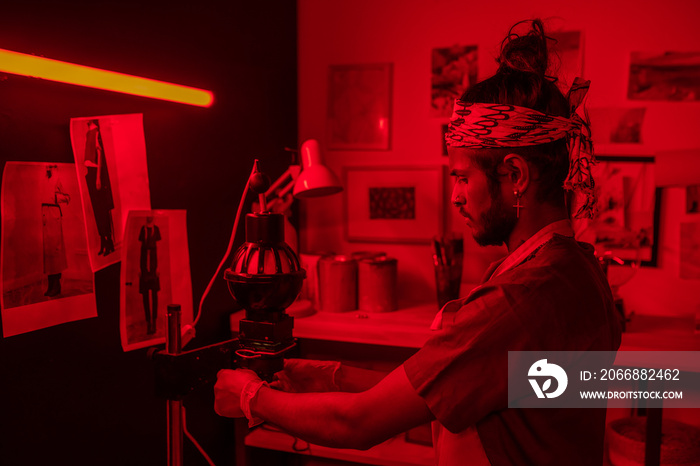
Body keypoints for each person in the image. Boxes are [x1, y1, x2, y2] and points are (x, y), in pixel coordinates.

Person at [214, 19, 621, 465]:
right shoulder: (576, 269)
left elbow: (358, 423)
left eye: (464, 177)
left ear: (515, 176)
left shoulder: (519, 299)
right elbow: (447, 381)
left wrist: (251, 397)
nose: (455, 196)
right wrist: (327, 375)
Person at [84, 119, 115, 256]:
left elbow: (100, 156)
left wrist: (97, 178)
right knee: (97, 210)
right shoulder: (88, 133)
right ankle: (103, 241)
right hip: (89, 173)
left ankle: (109, 242)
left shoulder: (96, 133)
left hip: (97, 173)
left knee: (102, 210)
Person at [42, 165, 71, 297]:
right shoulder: (44, 178)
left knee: (55, 250)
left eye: (50, 165)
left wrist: (54, 197)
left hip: (54, 214)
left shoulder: (58, 177)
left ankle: (56, 285)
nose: (47, 167)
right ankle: (51, 284)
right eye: (46, 166)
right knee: (48, 252)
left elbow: (67, 197)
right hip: (45, 215)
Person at [138, 216, 161, 335]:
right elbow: (140, 248)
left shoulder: (156, 229)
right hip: (144, 268)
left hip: (154, 267)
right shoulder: (143, 229)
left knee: (154, 297)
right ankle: (148, 324)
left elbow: (160, 248)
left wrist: (159, 267)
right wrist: (139, 268)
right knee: (145, 297)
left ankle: (154, 322)